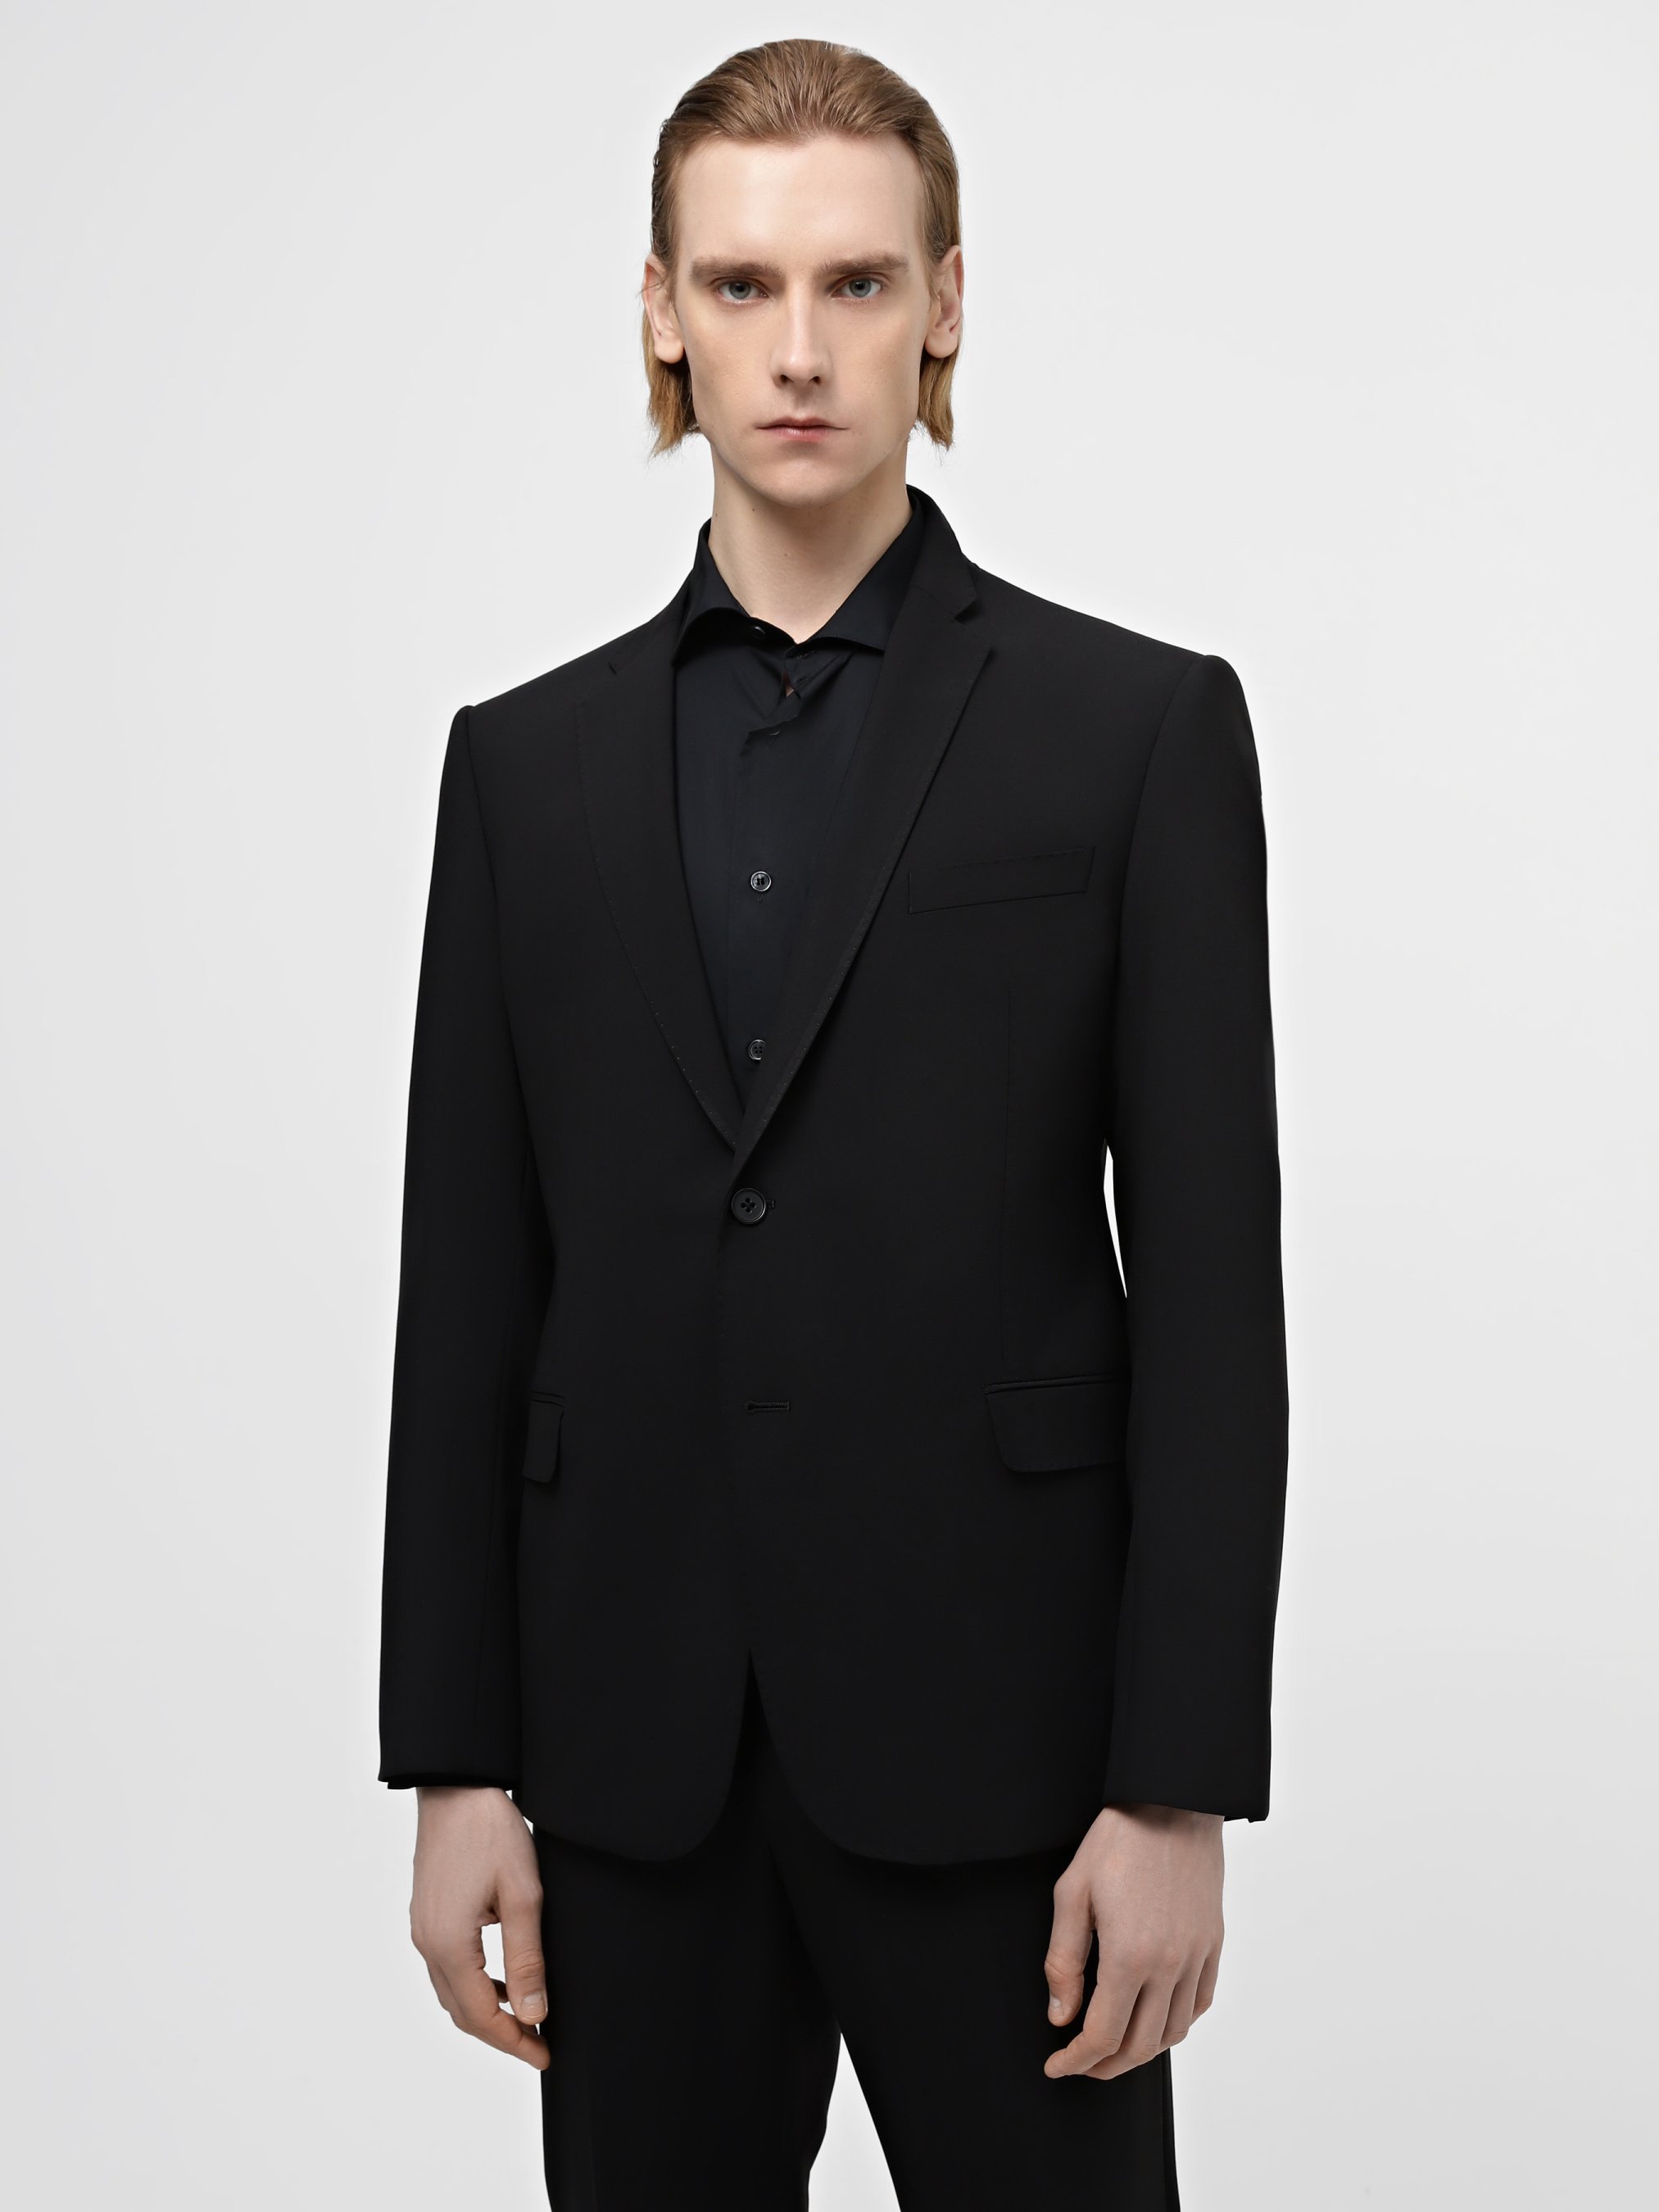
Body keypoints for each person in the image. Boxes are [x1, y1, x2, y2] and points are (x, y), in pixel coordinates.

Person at [378, 38, 1287, 2211]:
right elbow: (469, 1283)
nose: (798, 349)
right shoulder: (523, 770)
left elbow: (1213, 1297)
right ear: (662, 312)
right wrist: (456, 1759)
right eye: (743, 284)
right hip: (631, 1759)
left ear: (944, 302)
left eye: (856, 283)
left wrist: (1175, 1788)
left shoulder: (1135, 733)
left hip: (1014, 1764)